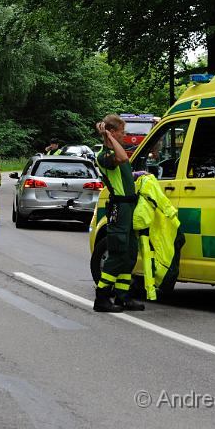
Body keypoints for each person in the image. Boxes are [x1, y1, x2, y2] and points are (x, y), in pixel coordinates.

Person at [94, 115, 145, 312]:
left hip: (129, 207)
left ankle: (123, 296)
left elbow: (125, 166)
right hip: (120, 208)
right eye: (122, 132)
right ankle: (102, 298)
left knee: (130, 253)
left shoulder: (116, 150)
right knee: (117, 253)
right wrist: (107, 136)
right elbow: (122, 158)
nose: (125, 136)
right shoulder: (104, 155)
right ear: (112, 132)